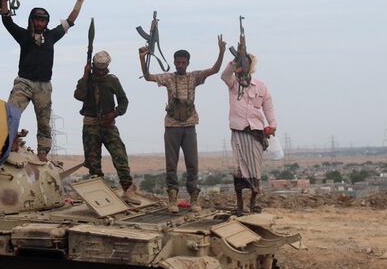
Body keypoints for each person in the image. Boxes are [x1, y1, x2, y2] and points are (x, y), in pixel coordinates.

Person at [139, 36, 225, 212]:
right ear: (174, 62)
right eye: (177, 62)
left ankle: (194, 199)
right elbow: (148, 77)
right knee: (171, 164)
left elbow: (214, 70)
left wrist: (221, 52)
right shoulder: (169, 78)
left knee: (192, 164)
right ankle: (172, 200)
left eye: (183, 62)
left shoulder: (194, 77)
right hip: (172, 126)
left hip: (189, 125)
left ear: (188, 63)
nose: (180, 65)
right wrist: (142, 59)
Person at [0, 0, 85, 161]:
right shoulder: (24, 36)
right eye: (37, 19)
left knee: (44, 121)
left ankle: (43, 152)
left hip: (44, 86)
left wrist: (79, 1)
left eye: (43, 20)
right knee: (11, 113)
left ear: (47, 22)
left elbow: (69, 21)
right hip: (23, 82)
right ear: (32, 20)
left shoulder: (52, 35)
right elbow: (7, 21)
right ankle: (10, 141)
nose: (40, 23)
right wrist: (4, 0)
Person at [74, 50, 140, 204]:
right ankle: (99, 196)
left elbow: (124, 101)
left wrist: (115, 114)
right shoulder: (86, 80)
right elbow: (79, 95)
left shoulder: (112, 80)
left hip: (108, 126)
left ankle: (128, 191)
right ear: (93, 67)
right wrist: (85, 75)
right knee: (93, 163)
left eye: (103, 69)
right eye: (98, 69)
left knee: (121, 158)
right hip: (90, 126)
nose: (101, 72)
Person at [221, 54, 277, 214]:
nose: (241, 66)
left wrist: (272, 125)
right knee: (238, 168)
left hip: (256, 133)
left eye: (245, 63)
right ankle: (239, 204)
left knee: (255, 169)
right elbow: (224, 75)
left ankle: (253, 202)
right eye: (240, 63)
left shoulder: (260, 86)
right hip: (238, 132)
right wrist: (234, 61)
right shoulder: (233, 83)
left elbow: (268, 107)